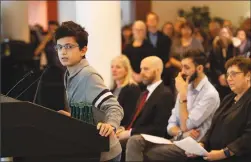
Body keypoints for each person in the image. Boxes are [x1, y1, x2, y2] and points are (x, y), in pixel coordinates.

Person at [126, 49, 220, 162]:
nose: (182, 72)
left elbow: (187, 126)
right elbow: (170, 126)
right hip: (176, 140)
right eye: (182, 67)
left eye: (187, 68)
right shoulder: (186, 87)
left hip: (193, 146)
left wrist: (183, 97)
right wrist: (181, 132)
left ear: (199, 68)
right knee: (135, 140)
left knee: (143, 152)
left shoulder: (210, 94)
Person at [54, 21, 124, 162]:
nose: (63, 52)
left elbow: (115, 107)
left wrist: (110, 125)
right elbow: (87, 109)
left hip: (105, 152)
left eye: (69, 47)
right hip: (88, 147)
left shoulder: (88, 76)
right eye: (60, 47)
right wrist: (72, 115)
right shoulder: (69, 74)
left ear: (83, 50)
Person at [187, 56, 251, 162]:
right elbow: (213, 126)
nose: (229, 78)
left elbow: (248, 137)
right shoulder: (228, 98)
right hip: (212, 154)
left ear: (248, 75)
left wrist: (224, 153)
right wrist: (202, 144)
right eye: (228, 74)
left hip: (234, 157)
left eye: (234, 74)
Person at [111, 55, 141, 127]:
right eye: (112, 67)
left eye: (118, 67)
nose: (114, 70)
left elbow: (129, 116)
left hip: (122, 128)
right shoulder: (112, 89)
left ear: (126, 70)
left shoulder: (132, 89)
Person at [122, 20, 154, 88]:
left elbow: (151, 64)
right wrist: (133, 75)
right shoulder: (127, 48)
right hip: (130, 78)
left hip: (146, 80)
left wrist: (141, 76)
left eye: (141, 30)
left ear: (145, 31)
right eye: (136, 29)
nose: (138, 32)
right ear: (133, 31)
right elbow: (125, 63)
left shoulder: (150, 47)